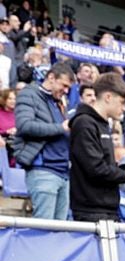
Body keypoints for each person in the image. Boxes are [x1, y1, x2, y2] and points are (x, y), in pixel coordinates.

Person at [69, 73, 125, 223]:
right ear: (108, 97)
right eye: (122, 102)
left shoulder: (103, 125)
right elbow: (95, 169)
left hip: (108, 208)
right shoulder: (84, 123)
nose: (124, 108)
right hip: (90, 211)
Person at [10, 62, 73, 220]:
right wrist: (61, 127)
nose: (66, 91)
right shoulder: (28, 94)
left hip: (63, 173)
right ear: (51, 77)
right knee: (43, 231)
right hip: (43, 171)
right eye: (64, 85)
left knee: (60, 232)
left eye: (68, 88)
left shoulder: (58, 102)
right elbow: (25, 125)